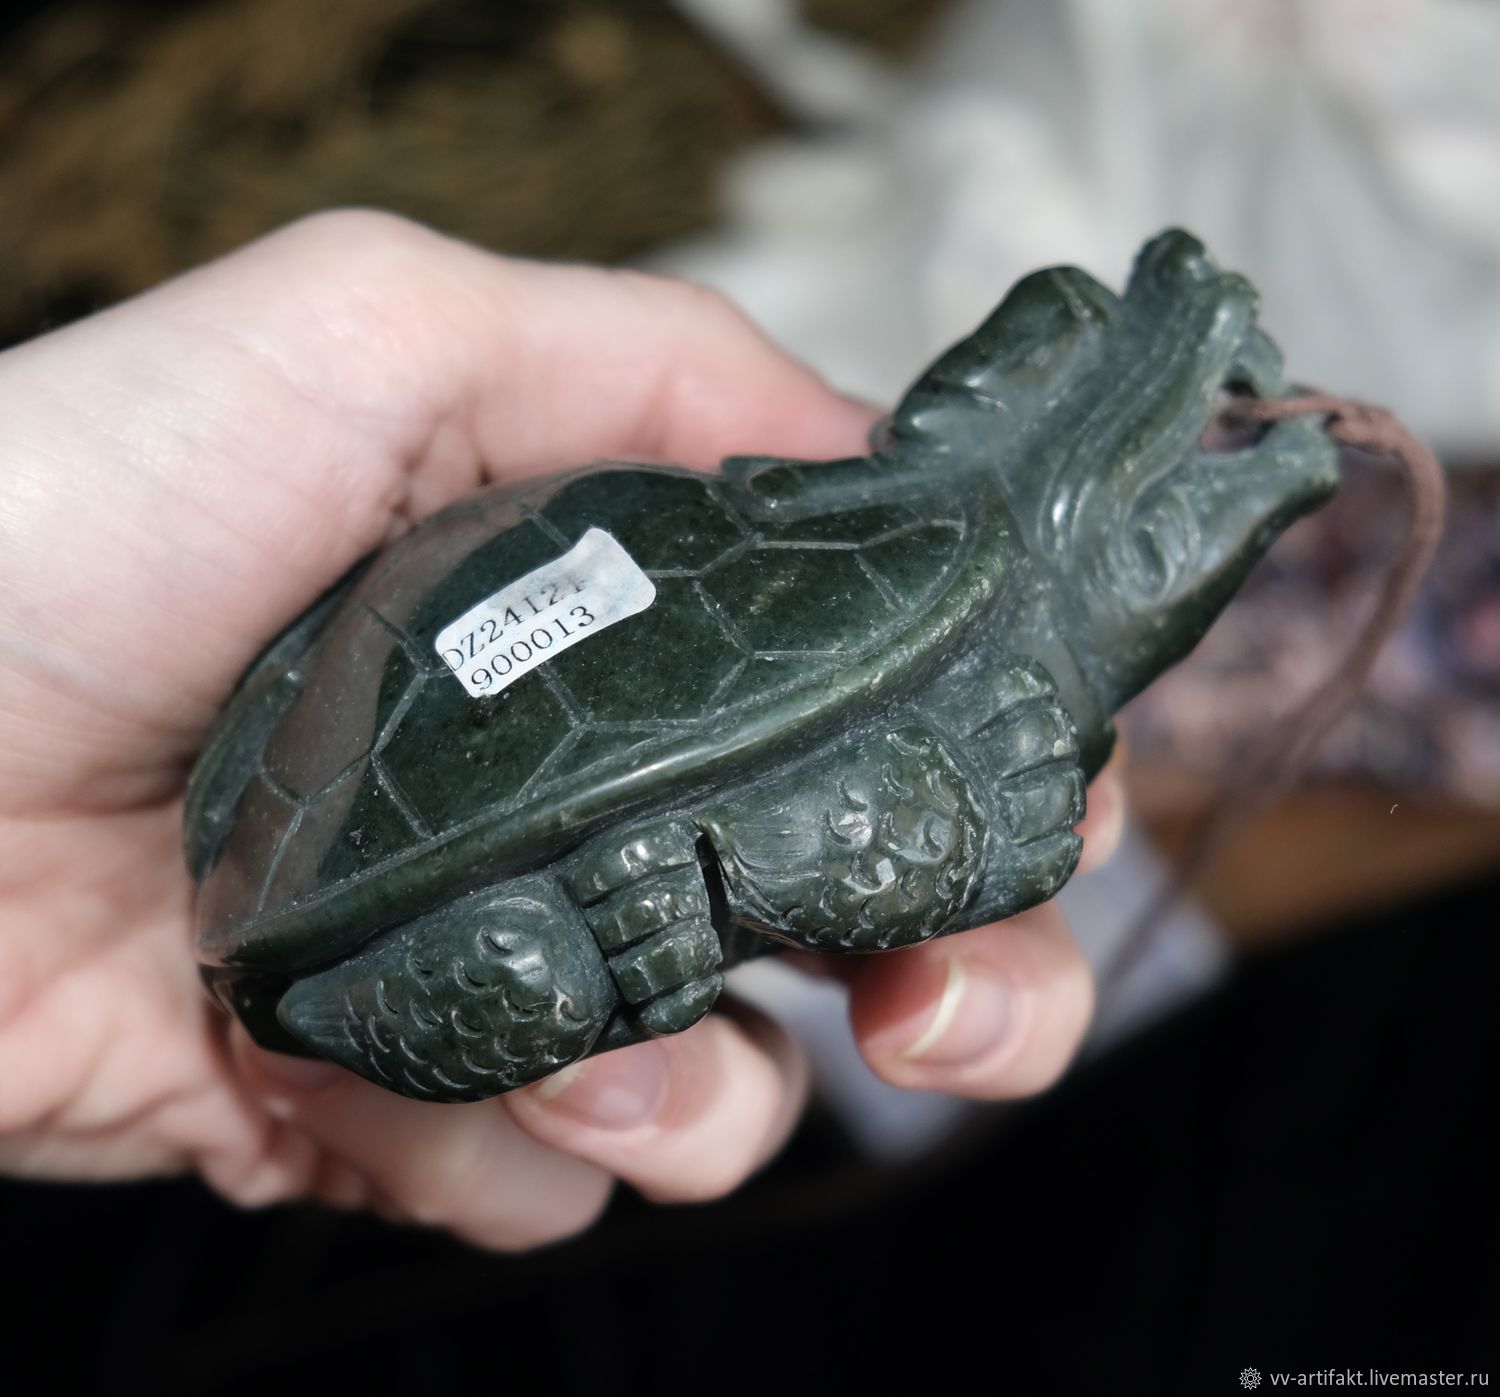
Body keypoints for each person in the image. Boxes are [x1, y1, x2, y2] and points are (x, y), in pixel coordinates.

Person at [0, 211, 1122, 1250]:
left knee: (556, 978)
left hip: (328, 863)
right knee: (550, 973)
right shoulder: (940, 548)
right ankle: (462, 962)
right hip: (389, 853)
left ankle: (464, 962)